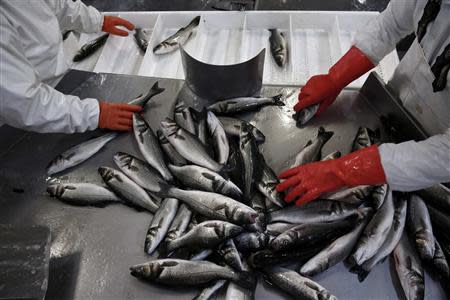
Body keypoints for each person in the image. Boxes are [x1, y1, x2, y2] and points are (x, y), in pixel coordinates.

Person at [277, 0, 450, 206]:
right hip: (395, 106)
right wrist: (336, 77)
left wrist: (342, 171)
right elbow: (390, 25)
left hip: (436, 165)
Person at [0, 0, 141, 133]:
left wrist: (98, 21)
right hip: (21, 119)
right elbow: (20, 103)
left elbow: (56, 5)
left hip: (58, 88)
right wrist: (93, 115)